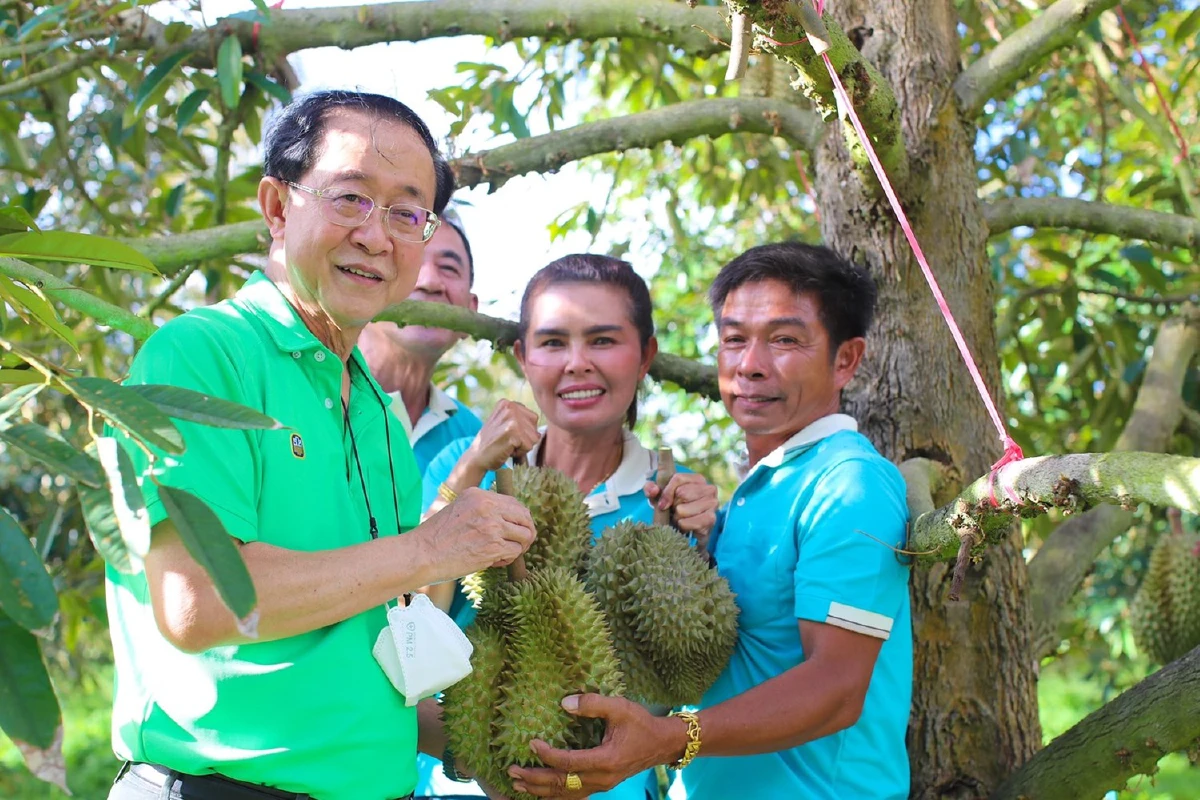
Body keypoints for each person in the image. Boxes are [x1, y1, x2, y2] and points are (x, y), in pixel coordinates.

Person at [104, 90, 536, 800]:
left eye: (406, 214)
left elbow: (370, 642)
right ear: (277, 207)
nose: (376, 236)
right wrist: (431, 547)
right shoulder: (202, 357)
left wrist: (497, 748)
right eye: (350, 199)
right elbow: (200, 603)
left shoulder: (374, 411)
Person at [507, 242, 913, 799]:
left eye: (785, 339)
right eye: (734, 339)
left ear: (846, 359)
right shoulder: (761, 489)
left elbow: (837, 687)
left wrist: (672, 738)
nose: (750, 364)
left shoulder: (849, 484)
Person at [417, 254, 720, 800]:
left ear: (645, 354)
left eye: (603, 340)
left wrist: (696, 549)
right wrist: (471, 472)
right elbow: (409, 628)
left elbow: (676, 684)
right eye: (554, 342)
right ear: (523, 356)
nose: (577, 364)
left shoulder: (675, 498)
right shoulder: (466, 466)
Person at [358, 209, 483, 474]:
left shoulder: (475, 438)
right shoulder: (310, 404)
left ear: (471, 313)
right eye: (411, 261)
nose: (429, 282)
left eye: (448, 268)